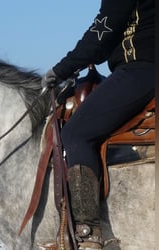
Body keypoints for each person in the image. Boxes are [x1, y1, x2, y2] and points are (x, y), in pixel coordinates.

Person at [42, 0, 154, 249]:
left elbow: (102, 32)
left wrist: (61, 69)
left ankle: (88, 233)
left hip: (140, 70)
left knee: (76, 134)